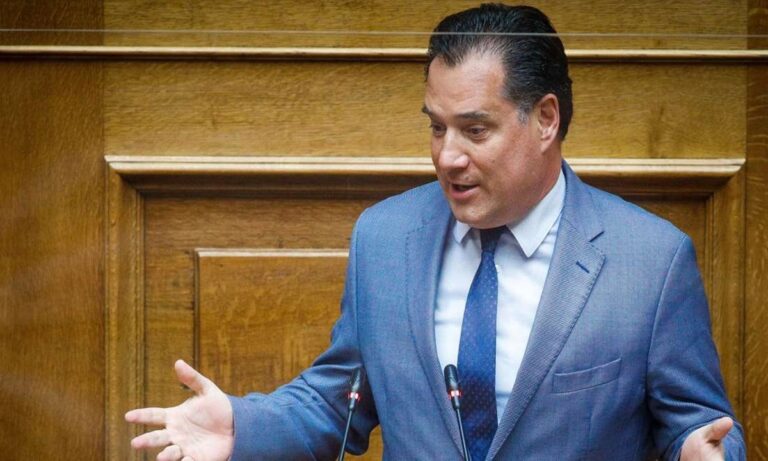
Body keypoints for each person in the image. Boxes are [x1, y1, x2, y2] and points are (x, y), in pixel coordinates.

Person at [125, 4, 746, 460]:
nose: (447, 157)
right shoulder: (384, 238)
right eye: (436, 127)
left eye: (475, 130)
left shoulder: (650, 260)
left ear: (545, 120)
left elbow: (696, 425)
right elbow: (338, 401)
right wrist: (242, 427)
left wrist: (703, 450)